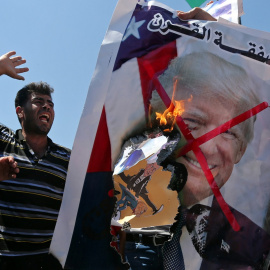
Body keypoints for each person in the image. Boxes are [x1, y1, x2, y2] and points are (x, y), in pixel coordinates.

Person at [153, 51, 270, 269]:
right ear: (161, 121)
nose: (206, 147)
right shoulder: (94, 202)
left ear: (241, 151)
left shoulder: (256, 246)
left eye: (229, 133)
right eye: (193, 121)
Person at [0, 51, 71, 269]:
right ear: (20, 112)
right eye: (38, 101)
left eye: (50, 103)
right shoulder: (4, 140)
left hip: (47, 264)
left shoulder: (68, 159)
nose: (47, 106)